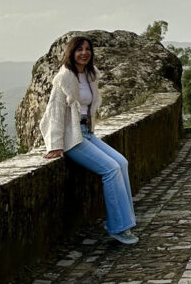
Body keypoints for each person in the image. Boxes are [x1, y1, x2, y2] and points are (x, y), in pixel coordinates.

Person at [40, 35, 139, 245]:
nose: (84, 53)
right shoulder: (64, 77)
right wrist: (55, 145)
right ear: (71, 53)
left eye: (87, 49)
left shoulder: (90, 75)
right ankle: (118, 227)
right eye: (79, 49)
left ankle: (126, 221)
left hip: (87, 132)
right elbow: (55, 112)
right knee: (110, 169)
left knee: (121, 162)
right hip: (72, 138)